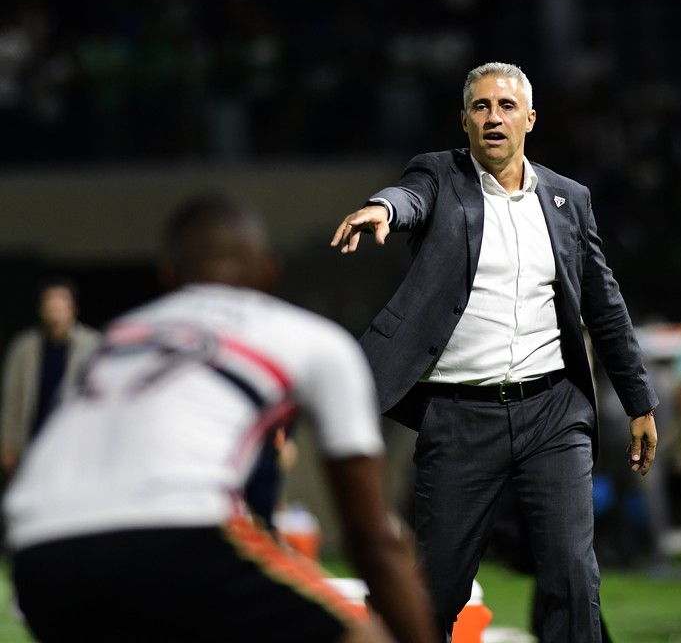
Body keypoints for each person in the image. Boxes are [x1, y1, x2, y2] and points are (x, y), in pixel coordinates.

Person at [3, 193, 437, 643]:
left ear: (168, 276)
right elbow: (371, 539)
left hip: (39, 551)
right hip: (176, 534)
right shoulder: (310, 338)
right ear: (270, 272)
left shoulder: (118, 338)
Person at [330, 61, 659, 642]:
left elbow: (605, 306)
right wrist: (382, 210)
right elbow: (408, 198)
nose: (493, 117)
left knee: (572, 575)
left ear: (530, 119)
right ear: (463, 120)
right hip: (460, 417)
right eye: (480, 107)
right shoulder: (440, 176)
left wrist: (639, 402)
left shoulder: (567, 199)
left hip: (553, 411)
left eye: (506, 107)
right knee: (438, 587)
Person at [1, 277, 101, 475]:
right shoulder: (24, 348)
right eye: (49, 302)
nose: (55, 308)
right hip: (32, 441)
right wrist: (8, 443)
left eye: (61, 302)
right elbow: (12, 398)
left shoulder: (92, 346)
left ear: (74, 309)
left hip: (74, 444)